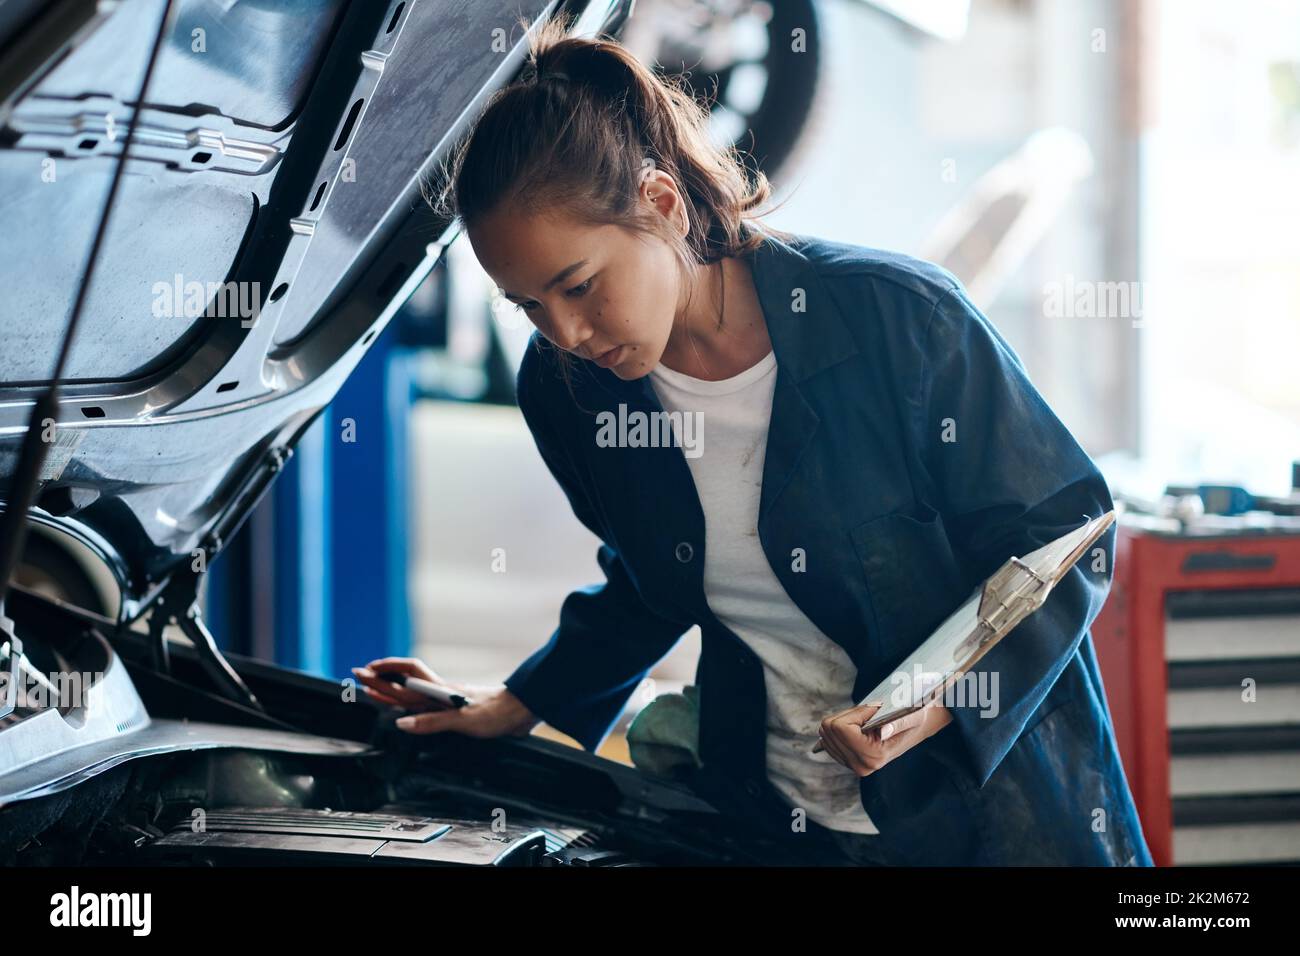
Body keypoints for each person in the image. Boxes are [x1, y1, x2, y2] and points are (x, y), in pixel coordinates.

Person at [352, 13, 1153, 867]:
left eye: (578, 285)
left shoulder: (898, 318)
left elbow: (1067, 535)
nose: (567, 332)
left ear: (659, 204)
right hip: (775, 824)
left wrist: (946, 699)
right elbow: (651, 580)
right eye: (529, 307)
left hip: (993, 819)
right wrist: (516, 703)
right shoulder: (568, 393)